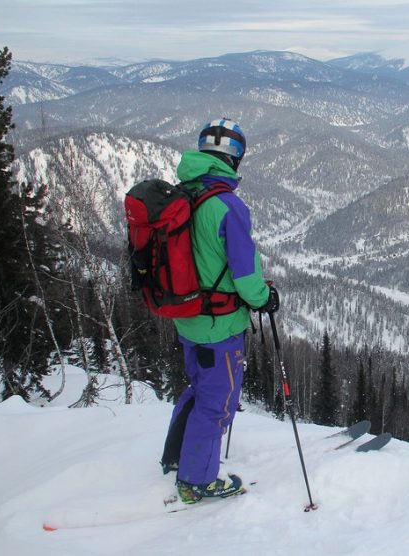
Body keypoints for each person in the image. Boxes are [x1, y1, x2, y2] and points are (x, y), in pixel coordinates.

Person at [160, 118, 280, 504]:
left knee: (200, 388)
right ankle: (196, 481)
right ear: (236, 159)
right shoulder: (228, 206)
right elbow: (246, 278)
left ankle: (177, 456)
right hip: (219, 325)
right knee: (218, 402)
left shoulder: (184, 196)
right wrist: (265, 299)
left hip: (188, 316)